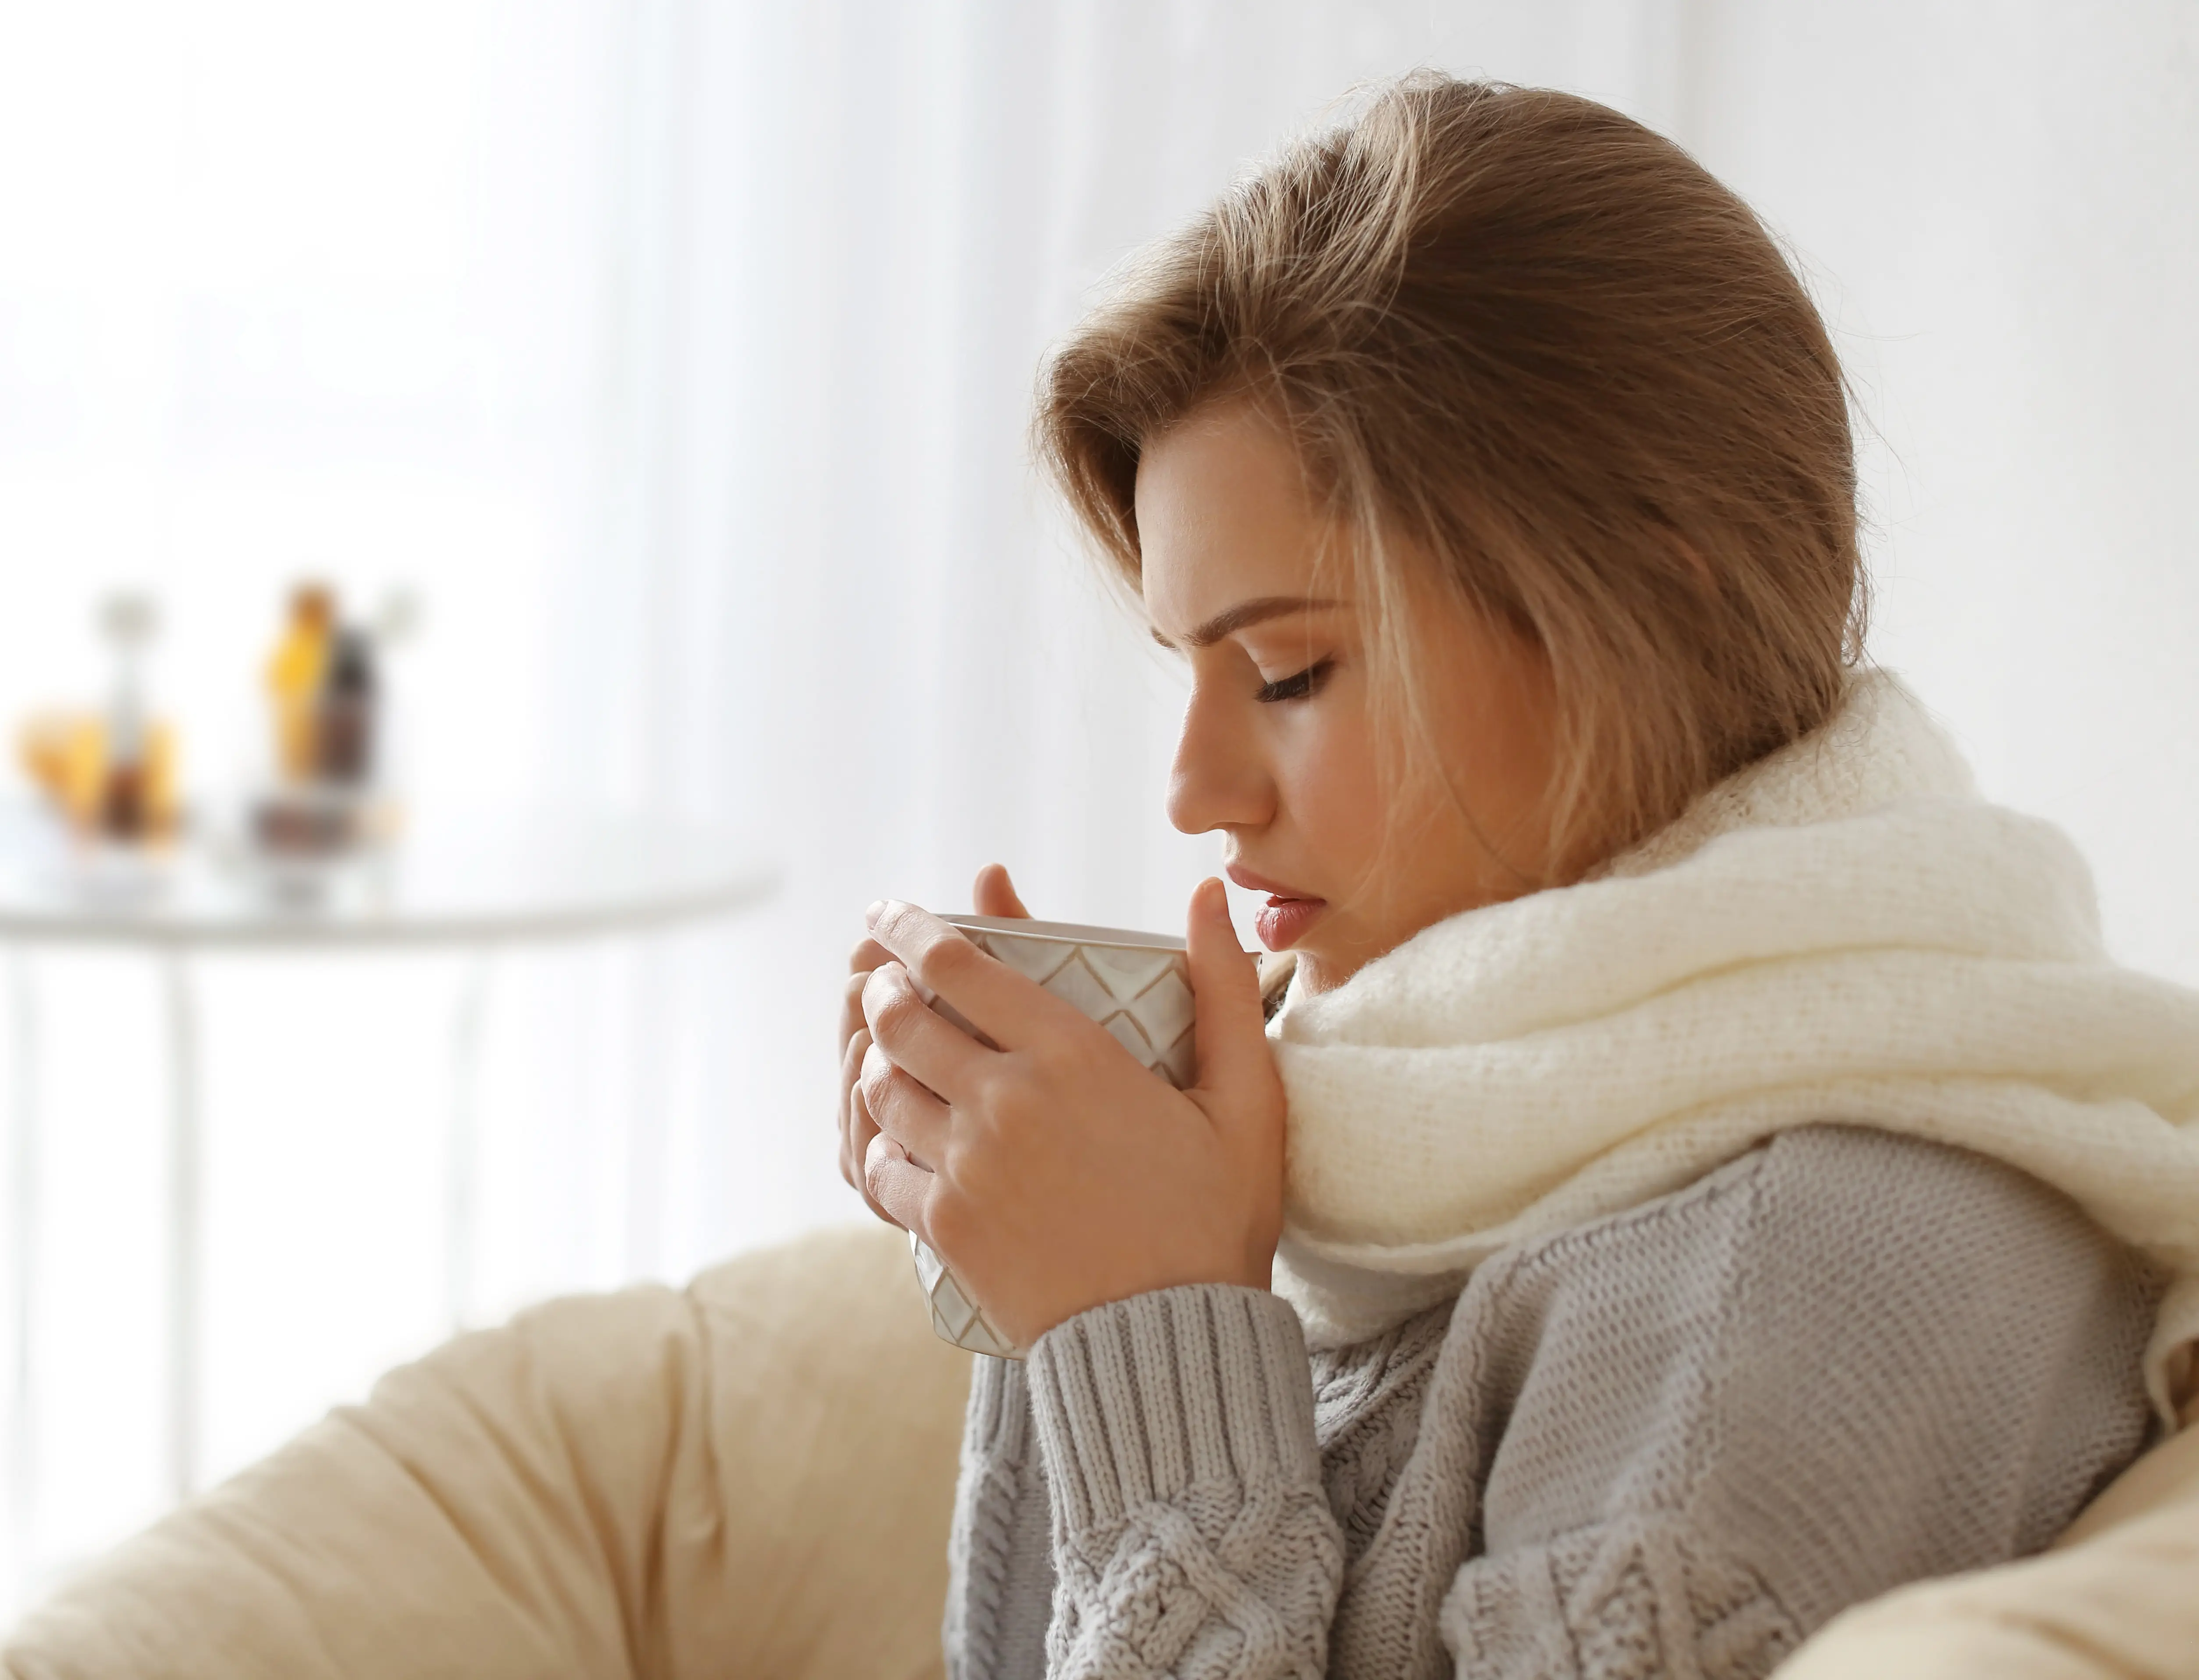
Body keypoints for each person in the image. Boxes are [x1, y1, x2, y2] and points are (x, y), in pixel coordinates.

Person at [835, 75, 2199, 1680]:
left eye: (1285, 672)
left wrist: (1144, 1344)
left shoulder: (1775, 1301)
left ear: (1649, 613)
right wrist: (1049, 1294)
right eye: (1181, 674)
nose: (1192, 792)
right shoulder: (1393, 1149)